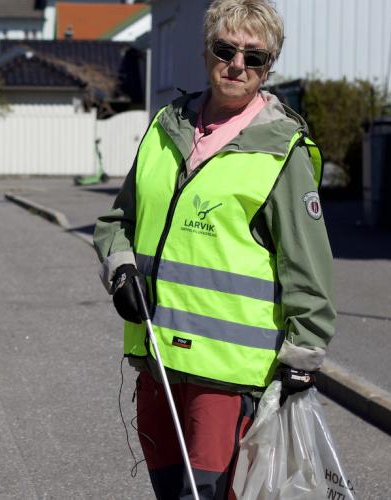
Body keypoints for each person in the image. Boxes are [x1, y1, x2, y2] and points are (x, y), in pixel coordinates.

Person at [93, 1, 336, 498]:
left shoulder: (280, 151)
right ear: (207, 51)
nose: (238, 65)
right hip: (157, 360)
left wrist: (302, 359)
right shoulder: (166, 128)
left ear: (270, 66)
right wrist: (120, 271)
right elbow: (118, 221)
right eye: (226, 50)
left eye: (255, 56)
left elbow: (308, 270)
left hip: (227, 379)